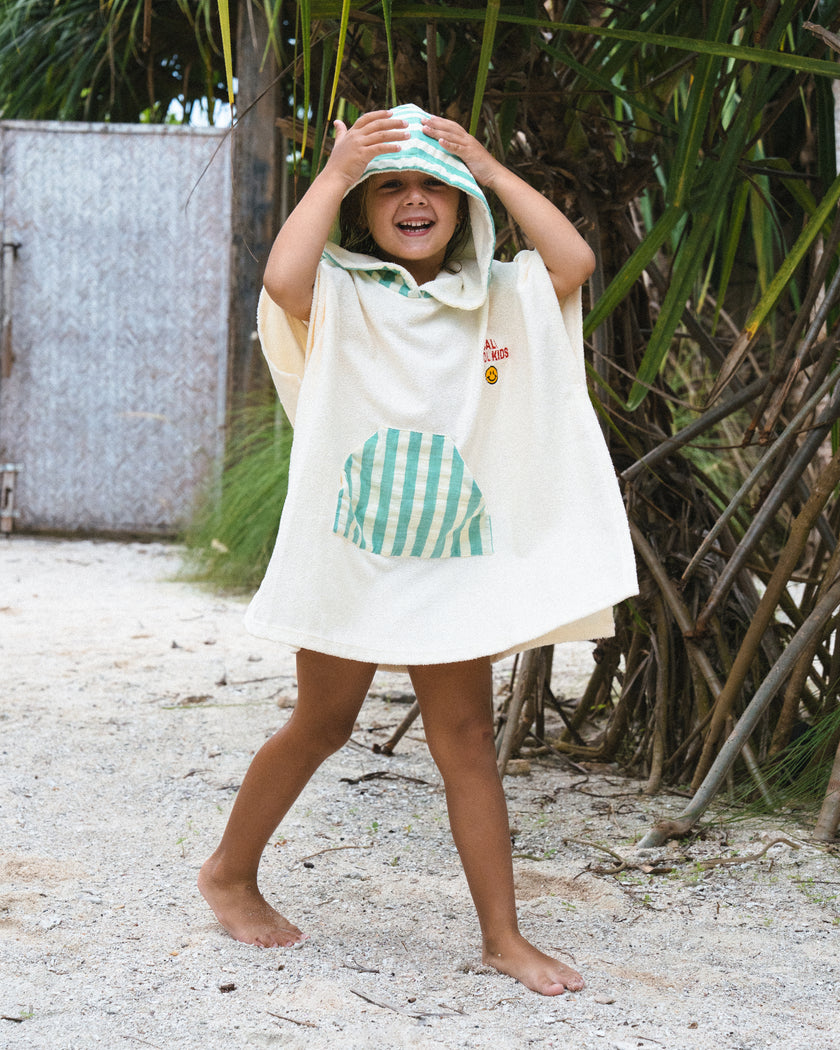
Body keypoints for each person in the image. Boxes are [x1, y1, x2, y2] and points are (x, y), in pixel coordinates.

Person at [198, 105, 637, 997]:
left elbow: (575, 263)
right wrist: (331, 171)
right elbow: (282, 276)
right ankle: (228, 873)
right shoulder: (341, 291)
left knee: (469, 739)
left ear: (465, 202)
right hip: (354, 551)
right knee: (321, 722)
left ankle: (502, 937)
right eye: (389, 186)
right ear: (362, 210)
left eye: (434, 183)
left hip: (455, 562)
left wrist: (487, 159)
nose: (412, 199)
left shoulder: (502, 294)